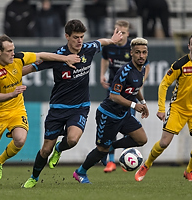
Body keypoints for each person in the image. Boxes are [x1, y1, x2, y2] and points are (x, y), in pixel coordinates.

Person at [0, 34, 80, 189]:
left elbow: (41, 55)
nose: (12, 53)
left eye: (13, 49)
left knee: (20, 140)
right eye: (9, 51)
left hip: (16, 110)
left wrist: (65, 59)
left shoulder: (19, 59)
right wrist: (13, 93)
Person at [21, 19, 123, 188]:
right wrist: (13, 75)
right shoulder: (58, 56)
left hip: (80, 107)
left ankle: (59, 149)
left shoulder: (87, 49)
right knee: (45, 150)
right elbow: (32, 68)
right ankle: (34, 177)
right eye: (76, 37)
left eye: (82, 37)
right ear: (67, 36)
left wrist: (112, 40)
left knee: (73, 139)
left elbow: (100, 42)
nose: (79, 41)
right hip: (57, 109)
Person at [135, 32, 192, 182]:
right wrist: (161, 108)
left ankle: (189, 171)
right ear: (189, 46)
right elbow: (164, 84)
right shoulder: (180, 65)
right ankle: (146, 165)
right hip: (177, 108)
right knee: (164, 142)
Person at [73, 37, 149, 184]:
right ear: (131, 53)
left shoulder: (142, 69)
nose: (141, 56)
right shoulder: (124, 71)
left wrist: (143, 102)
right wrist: (134, 106)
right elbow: (114, 96)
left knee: (141, 139)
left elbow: (136, 88)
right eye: (138, 52)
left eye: (144, 52)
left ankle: (111, 146)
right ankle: (80, 172)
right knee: (101, 149)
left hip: (123, 115)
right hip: (108, 115)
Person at [100, 20, 150, 173]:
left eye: (123, 32)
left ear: (128, 34)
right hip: (114, 91)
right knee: (113, 128)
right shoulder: (110, 47)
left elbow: (145, 66)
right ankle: (110, 161)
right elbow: (104, 59)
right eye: (118, 31)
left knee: (128, 129)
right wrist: (102, 75)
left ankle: (125, 158)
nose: (120, 35)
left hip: (129, 94)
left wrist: (140, 83)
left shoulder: (135, 49)